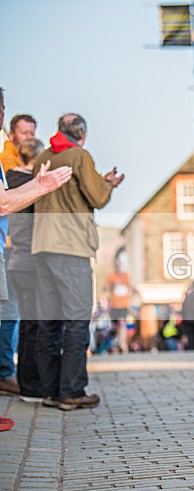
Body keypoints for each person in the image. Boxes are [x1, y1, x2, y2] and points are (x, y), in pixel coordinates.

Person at [32, 113, 124, 411]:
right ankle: (71, 391)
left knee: (48, 322)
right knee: (75, 321)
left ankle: (49, 390)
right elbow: (96, 198)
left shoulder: (43, 157)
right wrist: (107, 184)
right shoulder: (79, 156)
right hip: (71, 247)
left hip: (42, 246)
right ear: (82, 134)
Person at [0, 92, 73, 400]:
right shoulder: (7, 156)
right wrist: (43, 185)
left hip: (11, 253)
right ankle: (18, 379)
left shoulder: (12, 166)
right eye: (25, 133)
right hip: (25, 255)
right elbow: (5, 202)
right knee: (30, 321)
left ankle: (16, 379)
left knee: (20, 320)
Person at [6, 138, 45, 401]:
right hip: (32, 261)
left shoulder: (10, 182)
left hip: (14, 260)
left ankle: (24, 382)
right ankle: (32, 387)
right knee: (37, 325)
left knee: (23, 324)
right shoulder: (35, 187)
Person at [104, 256, 131, 353]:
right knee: (115, 326)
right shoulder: (111, 276)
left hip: (123, 304)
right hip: (114, 304)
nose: (118, 266)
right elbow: (104, 288)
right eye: (116, 264)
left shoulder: (126, 276)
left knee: (122, 323)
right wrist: (112, 285)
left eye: (119, 264)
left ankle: (122, 344)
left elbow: (130, 288)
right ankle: (116, 343)